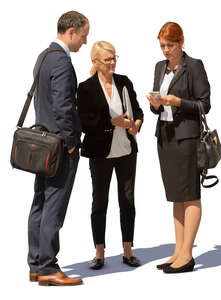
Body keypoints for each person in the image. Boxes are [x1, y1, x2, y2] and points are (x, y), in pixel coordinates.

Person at [27, 11, 89, 286]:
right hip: (60, 146)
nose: (85, 43)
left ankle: (36, 264)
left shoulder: (43, 56)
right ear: (71, 32)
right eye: (84, 36)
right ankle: (49, 267)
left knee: (40, 202)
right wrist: (72, 143)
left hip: (42, 143)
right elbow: (64, 105)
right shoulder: (62, 61)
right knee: (53, 205)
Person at [147, 22, 211, 273]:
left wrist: (178, 102)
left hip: (186, 138)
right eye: (162, 45)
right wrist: (155, 103)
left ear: (181, 42)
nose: (165, 50)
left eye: (170, 45)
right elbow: (158, 108)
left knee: (190, 194)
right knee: (175, 195)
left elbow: (204, 105)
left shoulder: (194, 66)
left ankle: (187, 255)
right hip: (165, 137)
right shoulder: (159, 67)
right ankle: (178, 251)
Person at [77, 41, 144, 270]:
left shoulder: (124, 82)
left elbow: (139, 111)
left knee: (127, 201)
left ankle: (128, 250)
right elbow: (85, 122)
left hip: (126, 151)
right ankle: (99, 253)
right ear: (95, 62)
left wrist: (135, 124)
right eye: (108, 59)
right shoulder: (85, 88)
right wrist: (111, 122)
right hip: (100, 153)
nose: (113, 62)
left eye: (115, 57)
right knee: (100, 202)